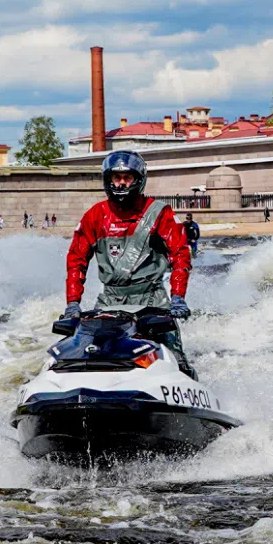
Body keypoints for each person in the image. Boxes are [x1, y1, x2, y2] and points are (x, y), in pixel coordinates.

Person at [65, 150, 196, 377]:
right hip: (109, 301)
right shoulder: (95, 215)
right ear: (108, 180)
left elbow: (180, 254)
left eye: (128, 178)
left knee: (175, 357)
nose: (122, 183)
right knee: (92, 351)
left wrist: (178, 297)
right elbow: (76, 260)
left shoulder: (160, 213)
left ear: (139, 180)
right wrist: (72, 304)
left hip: (152, 300)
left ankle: (186, 386)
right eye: (117, 177)